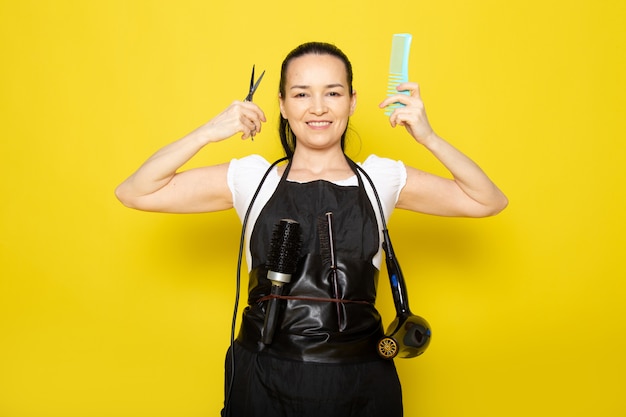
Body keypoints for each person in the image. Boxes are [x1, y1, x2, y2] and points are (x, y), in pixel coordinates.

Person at [115, 41, 507, 417]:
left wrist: (429, 138)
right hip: (263, 377)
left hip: (360, 384)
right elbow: (135, 191)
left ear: (352, 101)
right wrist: (207, 132)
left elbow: (487, 200)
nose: (318, 108)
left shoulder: (381, 177)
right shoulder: (252, 178)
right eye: (301, 94)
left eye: (333, 93)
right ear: (282, 106)